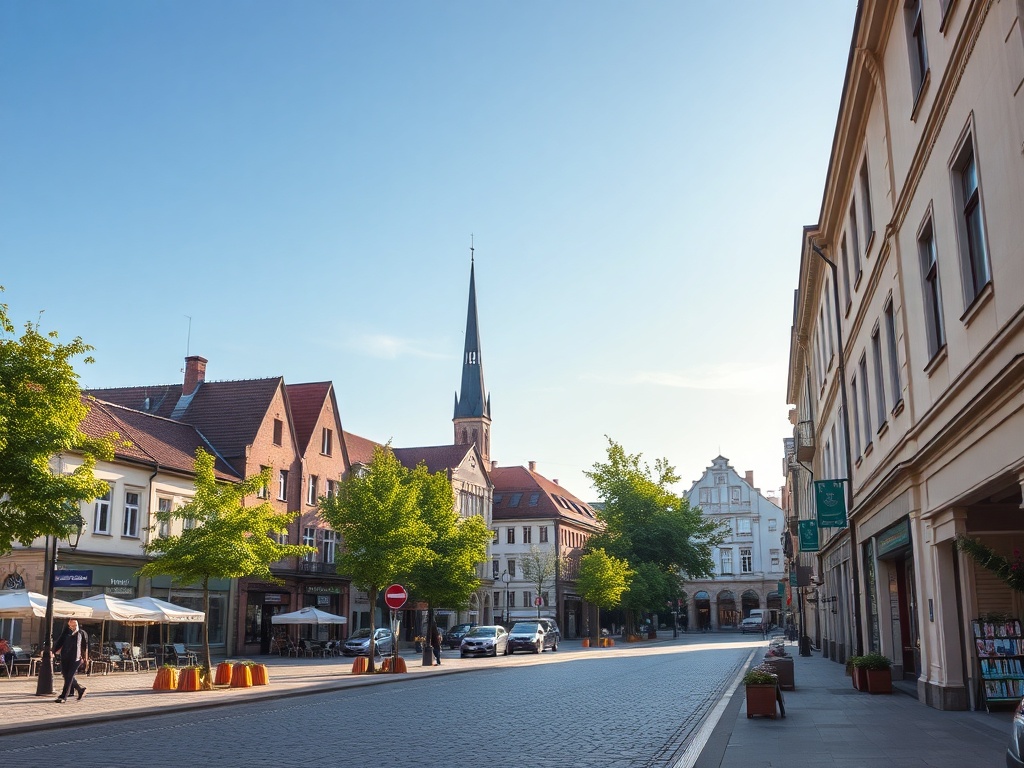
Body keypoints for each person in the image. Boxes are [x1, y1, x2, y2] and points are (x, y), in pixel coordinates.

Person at [53, 618, 89, 703]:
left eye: (75, 625)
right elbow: (59, 642)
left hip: (76, 658)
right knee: (66, 676)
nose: (74, 627)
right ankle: (80, 690)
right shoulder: (66, 633)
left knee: (69, 676)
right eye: (72, 625)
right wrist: (53, 651)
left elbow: (86, 646)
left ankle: (63, 696)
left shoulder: (82, 633)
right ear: (69, 625)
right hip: (65, 657)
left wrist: (85, 658)